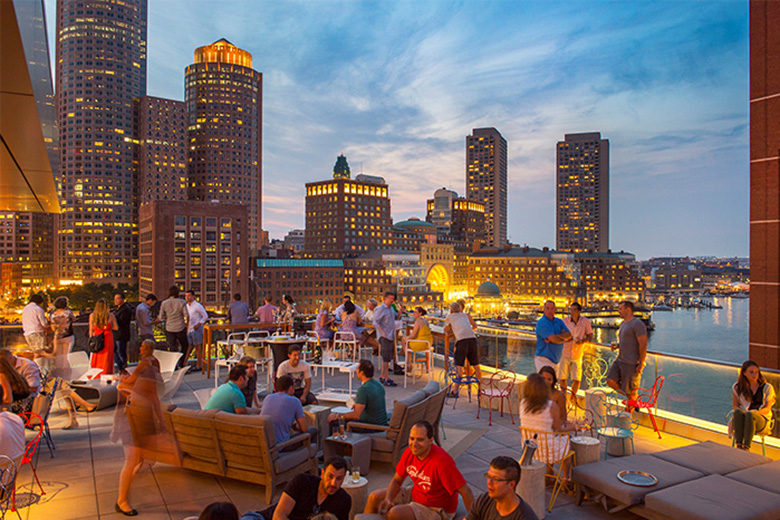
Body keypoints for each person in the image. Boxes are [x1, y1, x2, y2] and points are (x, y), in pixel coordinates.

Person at [365, 421, 473, 520]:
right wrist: (389, 499)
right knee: (374, 497)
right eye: (412, 439)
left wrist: (473, 517)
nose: (414, 444)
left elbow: (466, 491)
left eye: (420, 440)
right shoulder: (409, 452)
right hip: (416, 494)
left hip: (436, 508)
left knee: (395, 513)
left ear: (431, 440)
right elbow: (397, 480)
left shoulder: (441, 462)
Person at [113, 338, 164, 516]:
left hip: (141, 415)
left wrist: (123, 380)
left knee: (137, 457)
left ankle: (123, 498)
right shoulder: (151, 366)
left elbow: (153, 396)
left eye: (143, 346)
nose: (140, 348)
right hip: (134, 416)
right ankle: (122, 500)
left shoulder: (145, 366)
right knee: (132, 458)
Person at [519, 373, 582, 466]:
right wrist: (574, 427)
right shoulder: (551, 406)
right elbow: (559, 429)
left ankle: (549, 474)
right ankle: (565, 477)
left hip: (531, 450)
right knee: (567, 440)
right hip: (549, 452)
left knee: (550, 438)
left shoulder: (523, 403)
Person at [271, 456, 351, 520]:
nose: (333, 483)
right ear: (322, 474)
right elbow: (278, 516)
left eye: (339, 478)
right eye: (330, 476)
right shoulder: (302, 481)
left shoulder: (344, 500)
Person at [466, 457, 538, 520]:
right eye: (489, 476)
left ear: (511, 484)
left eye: (496, 479)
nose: (489, 482)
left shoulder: (525, 516)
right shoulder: (483, 500)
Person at [607, 301, 647, 406]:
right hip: (620, 359)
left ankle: (629, 415)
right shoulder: (623, 324)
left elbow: (643, 344)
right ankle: (631, 398)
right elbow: (628, 340)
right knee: (610, 380)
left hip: (631, 362)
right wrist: (618, 345)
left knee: (631, 391)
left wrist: (641, 363)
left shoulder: (637, 324)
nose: (618, 311)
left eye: (620, 309)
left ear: (628, 310)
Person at [327, 359, 387, 429]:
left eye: (357, 369)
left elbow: (356, 415)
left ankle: (334, 439)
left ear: (361, 373)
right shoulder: (379, 385)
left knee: (334, 421)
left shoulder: (363, 389)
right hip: (381, 423)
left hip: (370, 426)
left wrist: (338, 416)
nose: (356, 371)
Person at [731, 360, 776, 450]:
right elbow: (735, 406)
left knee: (750, 415)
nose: (754, 375)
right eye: (751, 372)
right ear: (744, 373)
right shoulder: (737, 387)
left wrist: (755, 412)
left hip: (761, 419)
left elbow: (767, 408)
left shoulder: (766, 387)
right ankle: (739, 445)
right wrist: (744, 412)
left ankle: (746, 447)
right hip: (744, 417)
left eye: (756, 372)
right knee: (738, 413)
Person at [444, 301, 480, 397]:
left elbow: (446, 330)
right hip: (472, 339)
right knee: (476, 365)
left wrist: (451, 332)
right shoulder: (465, 315)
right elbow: (474, 326)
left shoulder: (449, 317)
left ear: (451, 310)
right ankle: (481, 390)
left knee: (459, 366)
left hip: (461, 341)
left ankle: (455, 391)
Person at [560, 302, 593, 405]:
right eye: (571, 310)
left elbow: (590, 336)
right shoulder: (564, 321)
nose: (572, 312)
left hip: (577, 353)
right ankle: (564, 397)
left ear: (579, 311)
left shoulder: (585, 322)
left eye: (574, 310)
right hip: (564, 352)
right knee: (562, 377)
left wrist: (582, 341)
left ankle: (573, 397)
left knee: (577, 379)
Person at [260, 374, 309, 444]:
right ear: (291, 388)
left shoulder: (268, 398)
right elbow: (304, 429)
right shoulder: (295, 401)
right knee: (312, 431)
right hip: (280, 446)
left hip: (265, 442)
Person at [534, 301, 571, 373]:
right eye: (547, 308)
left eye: (552, 308)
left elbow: (569, 335)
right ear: (544, 309)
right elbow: (554, 339)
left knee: (553, 382)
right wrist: (563, 338)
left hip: (556, 359)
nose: (550, 311)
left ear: (555, 310)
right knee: (545, 382)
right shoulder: (542, 322)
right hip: (543, 358)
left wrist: (555, 337)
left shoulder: (559, 321)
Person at [159, 285, 189, 368]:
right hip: (180, 327)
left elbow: (161, 317)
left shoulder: (164, 303)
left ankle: (174, 366)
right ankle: (181, 362)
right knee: (184, 345)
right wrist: (186, 325)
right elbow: (186, 315)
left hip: (169, 328)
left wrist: (168, 317)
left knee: (172, 348)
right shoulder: (182, 302)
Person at [373, 292, 398, 387]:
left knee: (387, 358)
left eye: (393, 298)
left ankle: (383, 376)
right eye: (391, 298)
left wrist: (400, 312)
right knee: (386, 357)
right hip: (384, 336)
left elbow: (396, 317)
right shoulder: (380, 309)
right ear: (385, 298)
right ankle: (386, 377)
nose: (392, 300)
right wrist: (382, 332)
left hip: (391, 335)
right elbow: (375, 322)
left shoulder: (391, 308)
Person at [90, 298, 117, 376]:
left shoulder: (92, 316)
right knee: (107, 357)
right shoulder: (110, 316)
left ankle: (96, 374)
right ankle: (106, 373)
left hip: (97, 337)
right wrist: (107, 327)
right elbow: (116, 328)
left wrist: (92, 340)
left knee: (97, 357)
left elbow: (91, 330)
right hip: (107, 337)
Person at [185, 290, 209, 371]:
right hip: (189, 329)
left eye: (189, 296)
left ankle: (199, 365)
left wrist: (198, 324)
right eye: (186, 296)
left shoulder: (197, 306)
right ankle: (184, 364)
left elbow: (205, 316)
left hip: (196, 330)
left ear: (193, 296)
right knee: (189, 347)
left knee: (198, 348)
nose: (187, 297)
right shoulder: (186, 306)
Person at [113, 292, 133, 371]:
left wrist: (113, 319)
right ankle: (121, 366)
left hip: (121, 334)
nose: (116, 300)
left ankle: (123, 367)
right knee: (117, 351)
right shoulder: (118, 309)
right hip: (117, 334)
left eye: (117, 298)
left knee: (121, 351)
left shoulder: (125, 309)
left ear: (122, 299)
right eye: (115, 299)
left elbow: (122, 322)